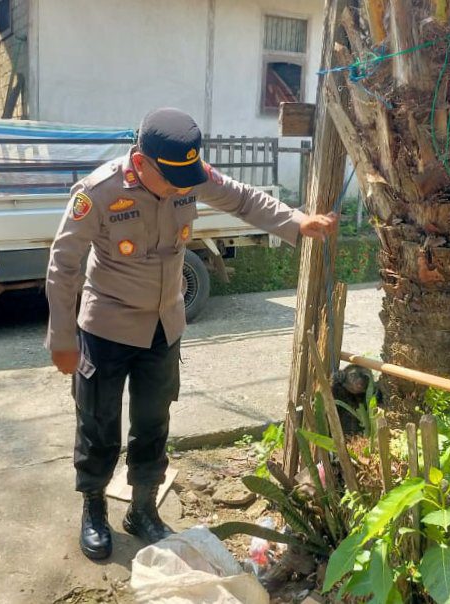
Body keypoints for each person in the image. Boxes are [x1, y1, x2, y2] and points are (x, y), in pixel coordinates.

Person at [45, 107, 337, 560]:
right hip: (106, 328)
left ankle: (143, 509)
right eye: (172, 180)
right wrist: (62, 338)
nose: (182, 188)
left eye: (188, 179)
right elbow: (63, 265)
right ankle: (94, 508)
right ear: (140, 163)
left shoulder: (186, 175)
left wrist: (296, 221)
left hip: (164, 327)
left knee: (153, 423)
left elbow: (241, 198)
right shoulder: (99, 192)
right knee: (98, 424)